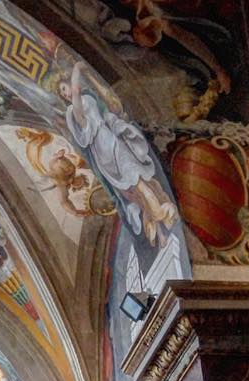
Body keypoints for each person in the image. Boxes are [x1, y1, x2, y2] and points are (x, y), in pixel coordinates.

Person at [58, 60, 177, 246]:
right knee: (137, 187)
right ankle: (160, 219)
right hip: (104, 151)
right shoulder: (73, 111)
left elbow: (106, 111)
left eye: (65, 88)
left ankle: (160, 230)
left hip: (113, 141)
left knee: (140, 184)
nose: (66, 93)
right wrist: (76, 69)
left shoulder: (89, 98)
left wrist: (120, 126)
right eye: (62, 92)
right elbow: (76, 94)